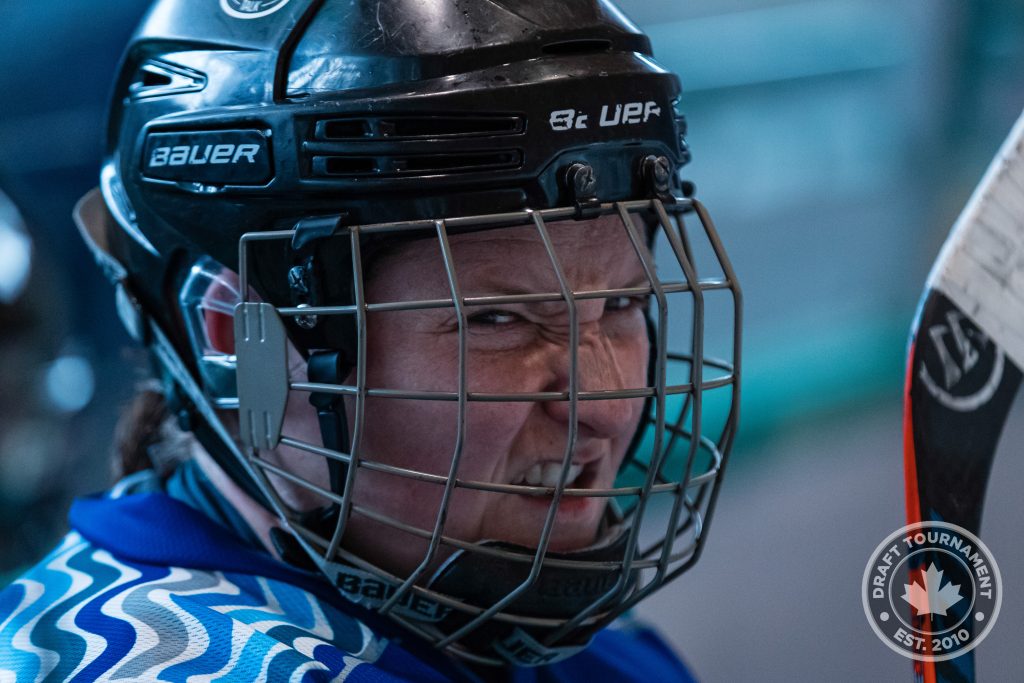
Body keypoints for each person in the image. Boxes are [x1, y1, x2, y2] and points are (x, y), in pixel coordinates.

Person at [0, 0, 741, 680]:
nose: (606, 407)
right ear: (237, 340)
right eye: (497, 321)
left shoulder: (600, 649)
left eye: (622, 303)